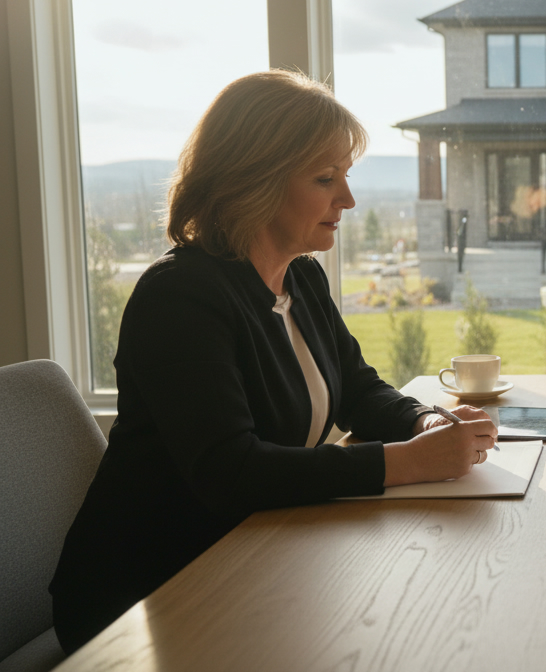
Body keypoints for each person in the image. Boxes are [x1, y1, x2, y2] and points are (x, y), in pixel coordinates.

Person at [49, 70, 499, 652]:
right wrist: (407, 463)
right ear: (253, 182)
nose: (348, 199)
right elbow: (232, 473)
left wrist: (424, 422)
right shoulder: (179, 297)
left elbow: (359, 389)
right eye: (325, 178)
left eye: (347, 176)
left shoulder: (301, 277)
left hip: (257, 549)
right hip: (150, 595)